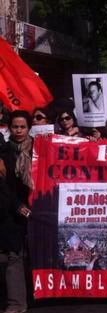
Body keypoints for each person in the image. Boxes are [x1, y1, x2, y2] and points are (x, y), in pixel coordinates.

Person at [0, 110, 34, 313]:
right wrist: (17, 206)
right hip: (12, 209)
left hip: (39, 206)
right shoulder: (3, 154)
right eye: (15, 127)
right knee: (13, 254)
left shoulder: (40, 148)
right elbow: (2, 186)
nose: (19, 130)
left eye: (22, 127)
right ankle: (16, 303)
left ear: (29, 128)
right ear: (9, 128)